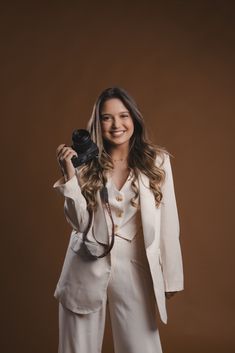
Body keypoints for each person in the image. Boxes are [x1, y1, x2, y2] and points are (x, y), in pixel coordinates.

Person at [53, 87, 184, 353]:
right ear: (97, 123)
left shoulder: (157, 161)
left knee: (142, 348)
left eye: (123, 115)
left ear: (134, 119)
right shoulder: (85, 162)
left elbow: (169, 223)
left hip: (135, 269)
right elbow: (79, 222)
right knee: (77, 349)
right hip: (84, 267)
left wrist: (171, 277)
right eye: (106, 117)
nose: (116, 125)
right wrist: (69, 176)